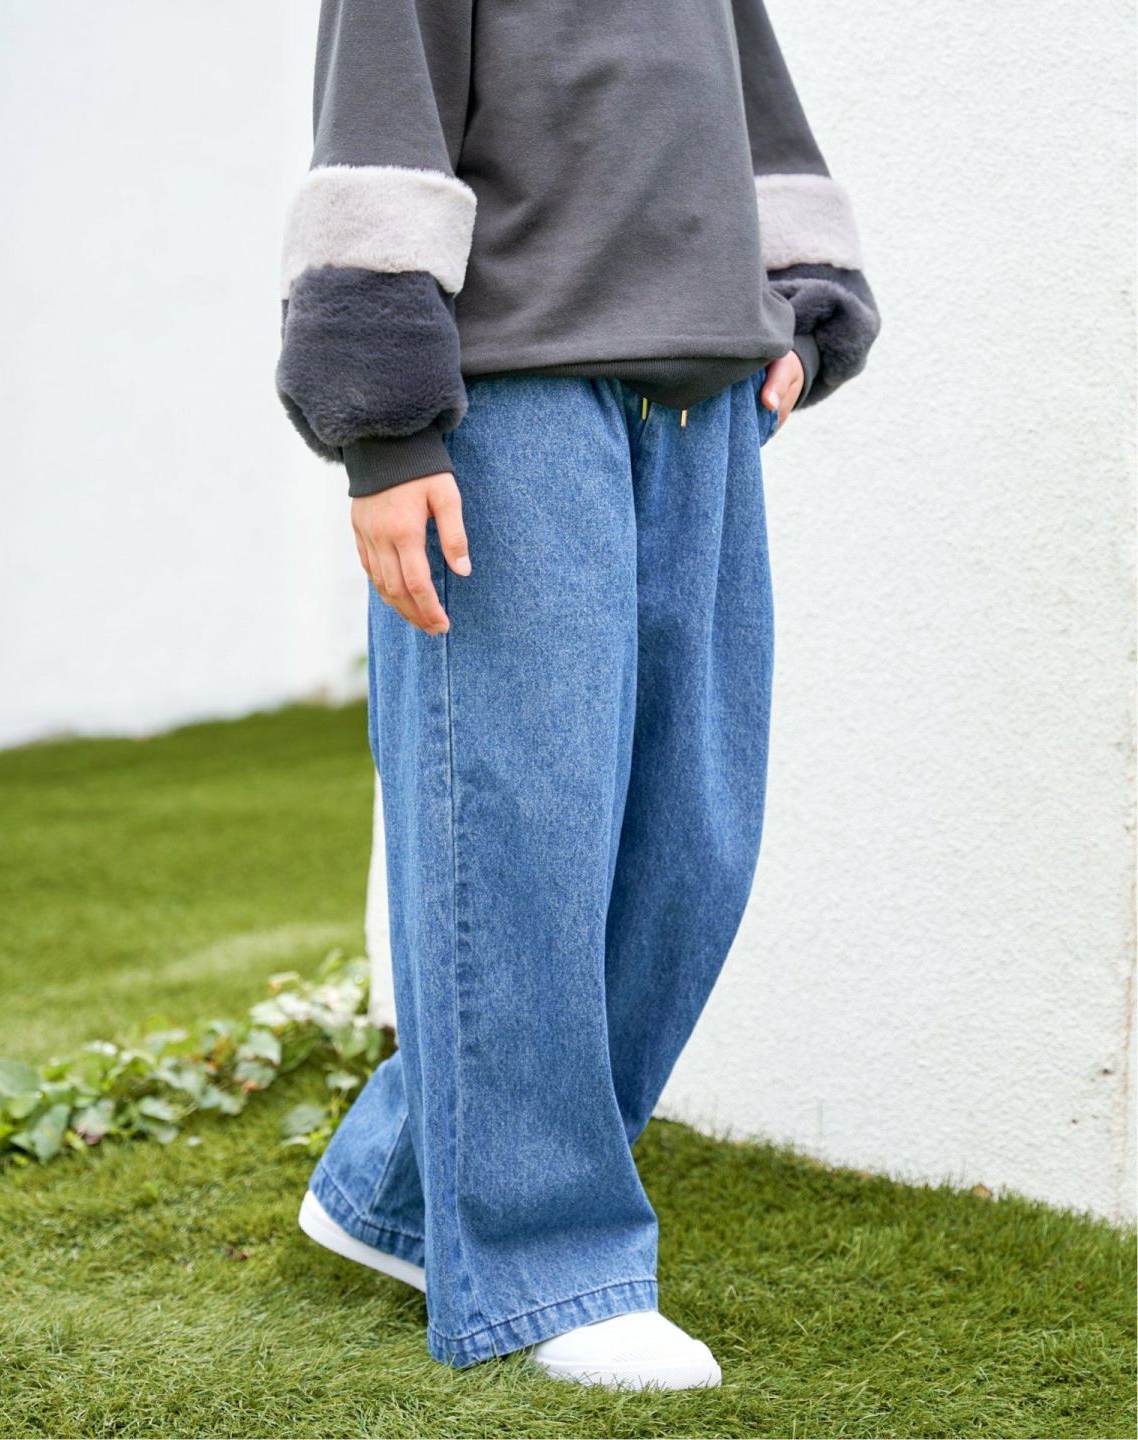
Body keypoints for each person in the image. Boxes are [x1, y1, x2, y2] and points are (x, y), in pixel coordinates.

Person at [276, 0, 879, 1390]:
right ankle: (549, 1259)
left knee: (692, 836)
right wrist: (386, 431)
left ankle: (396, 1192)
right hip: (514, 396)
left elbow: (752, 105)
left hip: (709, 402)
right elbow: (376, 126)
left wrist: (799, 295)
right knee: (520, 832)